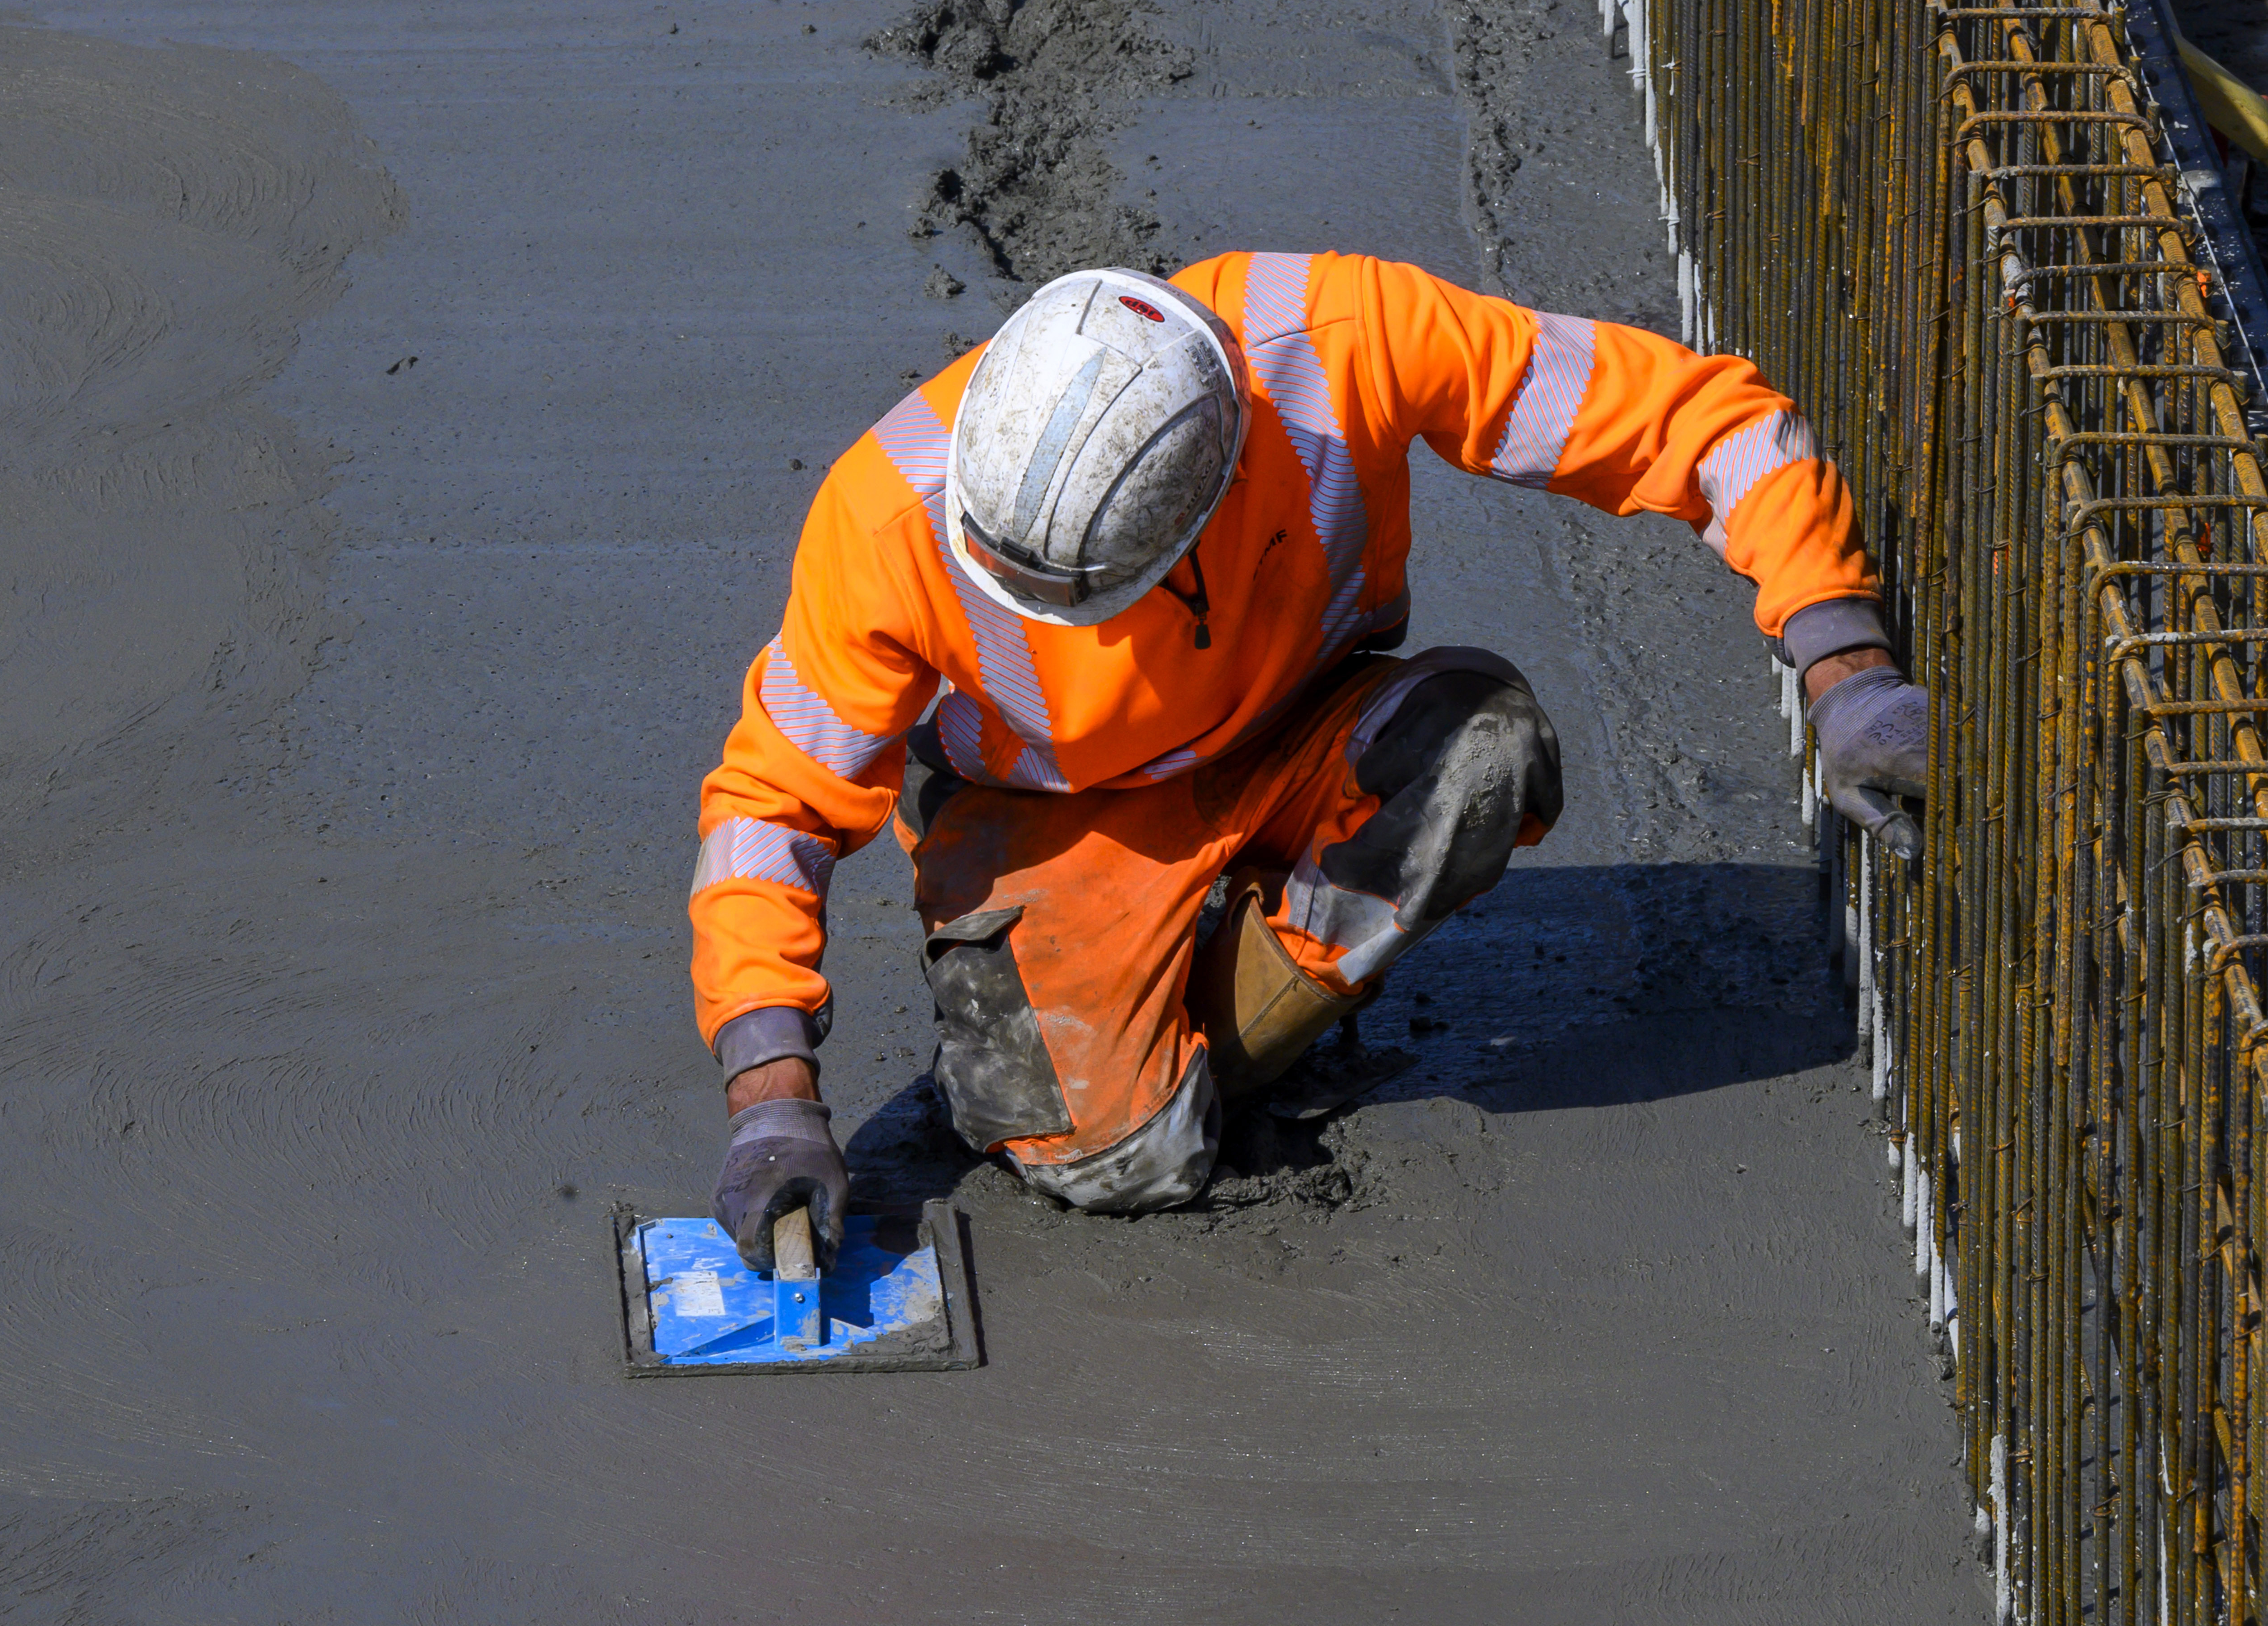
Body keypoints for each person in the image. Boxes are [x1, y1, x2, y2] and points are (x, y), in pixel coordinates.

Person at [693, 252, 1927, 1268]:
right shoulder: (882, 522)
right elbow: (770, 811)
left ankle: (1233, 993)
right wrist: (773, 1097)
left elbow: (1702, 420)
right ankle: (1119, 1034)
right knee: (1127, 1161)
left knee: (1484, 755)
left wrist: (1844, 664)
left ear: (1213, 491)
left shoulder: (1341, 343)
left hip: (1298, 731)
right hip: (1052, 816)